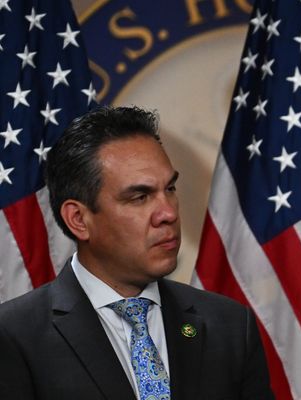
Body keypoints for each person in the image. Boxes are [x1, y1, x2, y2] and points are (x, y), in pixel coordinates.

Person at [0, 106, 273, 399]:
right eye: (140, 197)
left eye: (170, 189)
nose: (168, 213)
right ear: (79, 220)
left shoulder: (230, 325)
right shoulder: (13, 336)